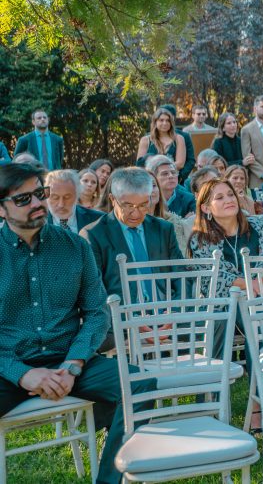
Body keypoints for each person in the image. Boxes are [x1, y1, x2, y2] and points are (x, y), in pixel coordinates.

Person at [0, 163, 151, 484]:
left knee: (139, 384)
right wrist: (22, 374)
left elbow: (97, 312)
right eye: (23, 199)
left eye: (40, 193)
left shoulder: (75, 246)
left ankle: (109, 480)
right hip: (9, 367)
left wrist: (73, 363)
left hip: (70, 360)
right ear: (1, 209)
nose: (39, 203)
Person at [187, 178, 263, 430]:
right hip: (221, 307)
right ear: (206, 208)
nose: (228, 200)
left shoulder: (257, 227)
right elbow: (216, 280)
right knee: (248, 310)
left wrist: (259, 284)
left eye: (231, 195)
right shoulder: (200, 239)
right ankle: (259, 404)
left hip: (260, 298)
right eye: (219, 197)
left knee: (251, 311)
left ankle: (258, 403)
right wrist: (253, 285)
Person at [80, 167, 185, 303]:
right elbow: (93, 291)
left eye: (143, 205)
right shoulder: (94, 235)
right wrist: (129, 316)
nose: (136, 214)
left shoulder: (163, 228)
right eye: (128, 206)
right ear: (112, 199)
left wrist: (174, 312)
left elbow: (182, 277)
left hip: (165, 313)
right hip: (122, 317)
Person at [46, 169, 103, 234]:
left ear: (77, 195)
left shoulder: (98, 220)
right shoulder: (36, 223)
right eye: (55, 198)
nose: (61, 204)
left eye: (67, 197)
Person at [159, 104, 197, 182]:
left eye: (168, 118)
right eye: (161, 119)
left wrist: (180, 176)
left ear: (173, 117)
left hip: (178, 179)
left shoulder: (184, 136)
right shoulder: (149, 138)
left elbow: (191, 160)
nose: (164, 122)